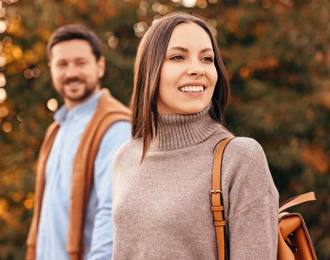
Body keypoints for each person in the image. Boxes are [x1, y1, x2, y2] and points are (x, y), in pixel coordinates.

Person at [112, 11, 279, 259]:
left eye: (207, 58)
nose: (197, 69)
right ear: (150, 69)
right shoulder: (126, 156)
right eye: (178, 57)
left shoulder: (240, 157)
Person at [26, 24, 132, 260]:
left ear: (100, 66)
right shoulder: (57, 129)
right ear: (51, 69)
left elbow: (113, 213)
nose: (71, 72)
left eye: (80, 62)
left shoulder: (115, 127)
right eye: (62, 64)